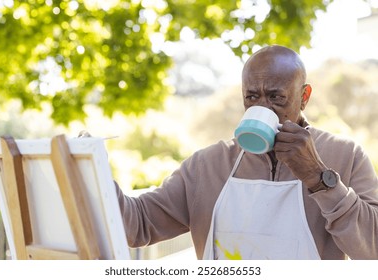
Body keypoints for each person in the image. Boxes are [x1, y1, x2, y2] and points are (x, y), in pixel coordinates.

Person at [114, 45, 378, 260]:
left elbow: (373, 249)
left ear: (304, 96)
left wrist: (320, 179)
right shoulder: (207, 165)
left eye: (277, 97)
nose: (263, 107)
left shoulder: (346, 156)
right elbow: (138, 224)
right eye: (252, 97)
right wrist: (93, 175)